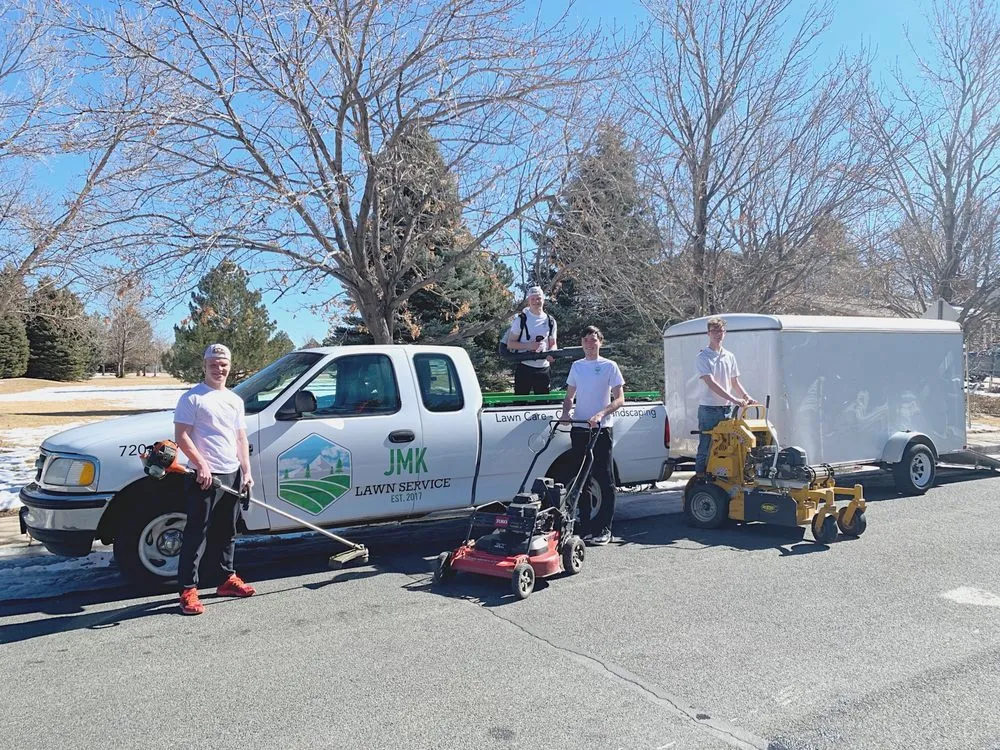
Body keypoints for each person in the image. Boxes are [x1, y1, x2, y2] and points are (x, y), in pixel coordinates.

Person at [174, 343, 256, 615]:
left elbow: (240, 438)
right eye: (213, 365)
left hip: (231, 474)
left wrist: (246, 472)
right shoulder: (192, 398)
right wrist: (201, 465)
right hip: (205, 477)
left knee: (227, 532)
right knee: (197, 533)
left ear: (229, 366)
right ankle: (188, 590)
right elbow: (182, 436)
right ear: (204, 366)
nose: (219, 369)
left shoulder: (235, 400)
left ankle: (226, 580)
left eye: (223, 365)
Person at [559, 326, 624, 546]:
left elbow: (619, 399)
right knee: (581, 478)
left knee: (604, 478)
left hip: (601, 429)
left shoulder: (609, 366)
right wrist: (566, 412)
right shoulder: (577, 366)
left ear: (600, 342)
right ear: (582, 343)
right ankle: (584, 526)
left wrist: (601, 413)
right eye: (586, 340)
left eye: (593, 340)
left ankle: (605, 528)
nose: (589, 344)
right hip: (580, 428)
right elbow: (569, 396)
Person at [694, 317, 755, 476]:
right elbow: (711, 383)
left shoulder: (729, 356)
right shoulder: (703, 357)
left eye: (720, 331)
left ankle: (722, 476)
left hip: (727, 409)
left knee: (727, 445)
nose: (717, 334)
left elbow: (734, 381)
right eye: (714, 331)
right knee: (707, 446)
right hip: (709, 410)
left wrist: (745, 396)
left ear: (725, 333)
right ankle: (700, 479)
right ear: (708, 333)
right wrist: (735, 399)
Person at [506, 285, 557, 395]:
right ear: (528, 300)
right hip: (525, 367)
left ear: (543, 299)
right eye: (532, 299)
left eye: (538, 298)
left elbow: (553, 344)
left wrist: (551, 354)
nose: (536, 302)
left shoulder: (550, 321)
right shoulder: (521, 320)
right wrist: (529, 346)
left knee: (543, 403)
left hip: (543, 368)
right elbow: (510, 344)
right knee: (520, 403)